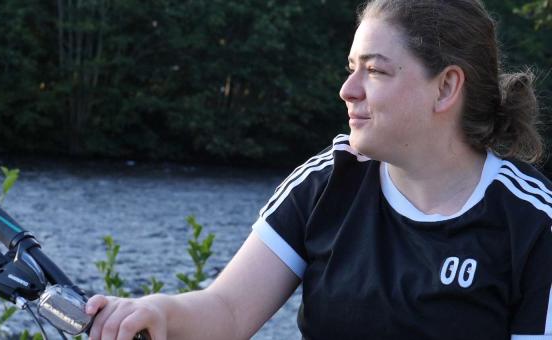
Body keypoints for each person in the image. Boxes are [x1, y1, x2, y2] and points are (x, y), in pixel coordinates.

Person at [86, 0, 552, 339]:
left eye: (376, 71)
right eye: (352, 68)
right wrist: (157, 312)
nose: (348, 90)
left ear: (446, 87)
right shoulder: (327, 182)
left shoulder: (533, 223)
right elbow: (226, 311)